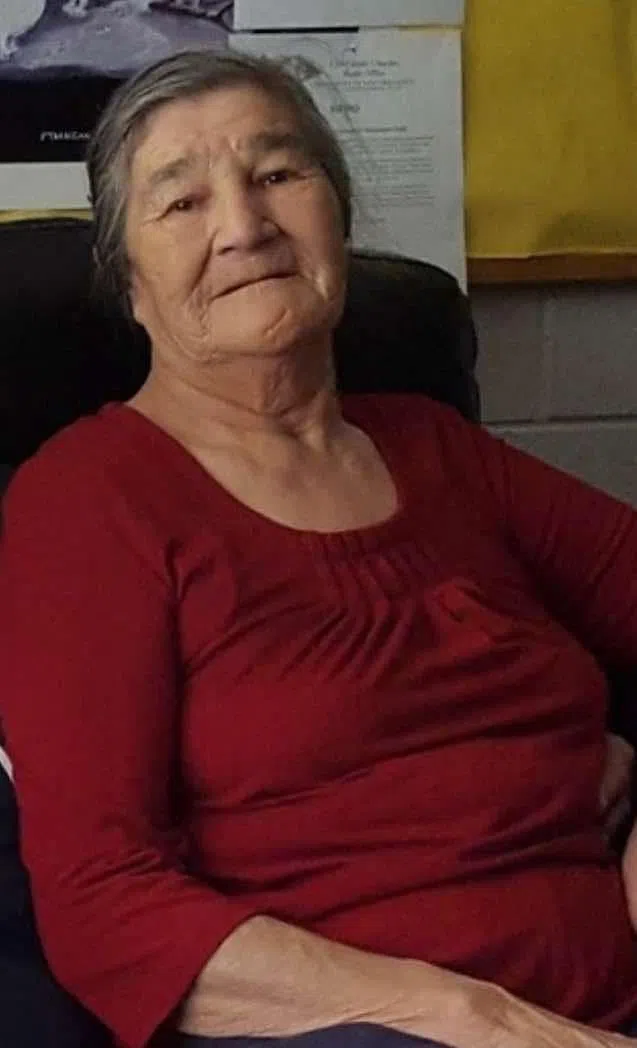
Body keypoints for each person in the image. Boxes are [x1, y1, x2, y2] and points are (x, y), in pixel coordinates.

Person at [1, 49, 637, 1048]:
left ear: (338, 215)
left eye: (277, 173)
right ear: (130, 284)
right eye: (182, 202)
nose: (244, 226)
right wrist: (460, 1011)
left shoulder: (437, 449)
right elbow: (104, 903)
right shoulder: (88, 501)